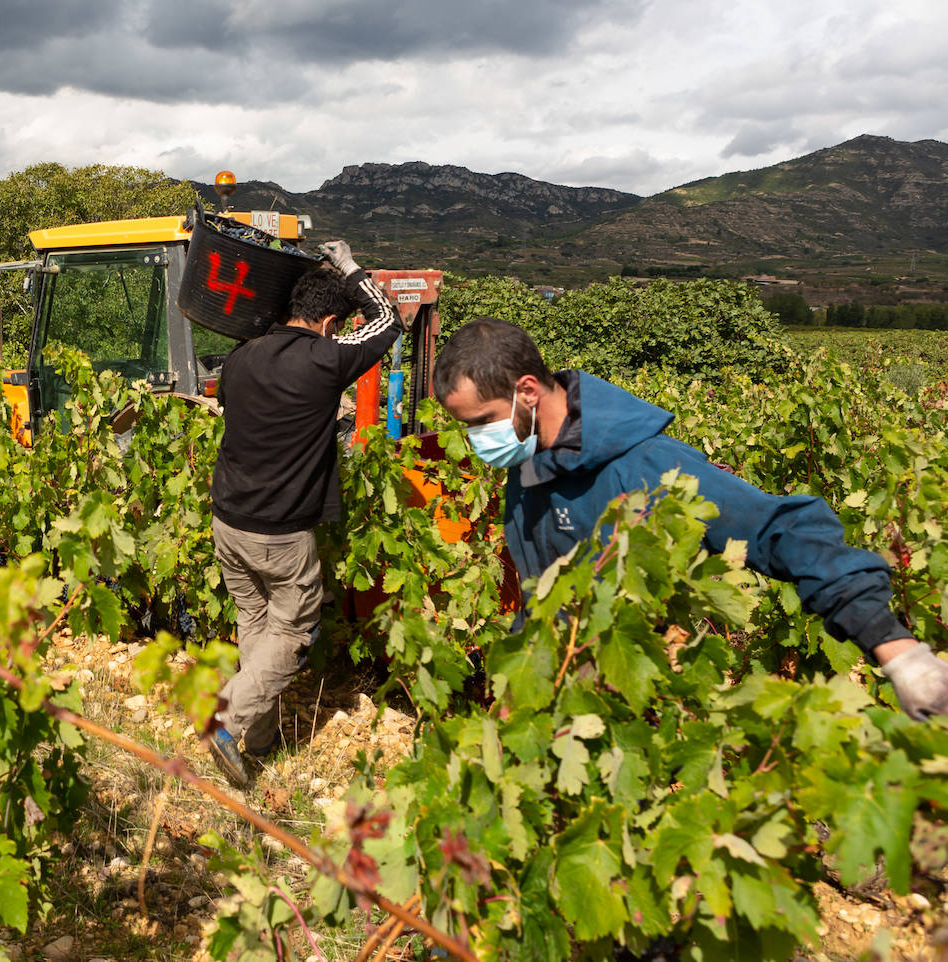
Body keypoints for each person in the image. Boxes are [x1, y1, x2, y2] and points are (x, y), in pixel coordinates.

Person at [432, 318, 948, 720]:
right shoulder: (527, 467)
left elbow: (776, 531)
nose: (478, 440)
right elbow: (545, 592)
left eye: (481, 423)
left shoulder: (645, 466)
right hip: (564, 698)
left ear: (527, 391)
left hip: (641, 705)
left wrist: (895, 649)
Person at [206, 240, 403, 788]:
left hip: (227, 522)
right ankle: (227, 721)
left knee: (256, 625)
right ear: (330, 323)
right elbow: (387, 321)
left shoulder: (240, 358)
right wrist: (348, 264)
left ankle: (260, 740)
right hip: (280, 532)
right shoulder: (326, 358)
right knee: (293, 632)